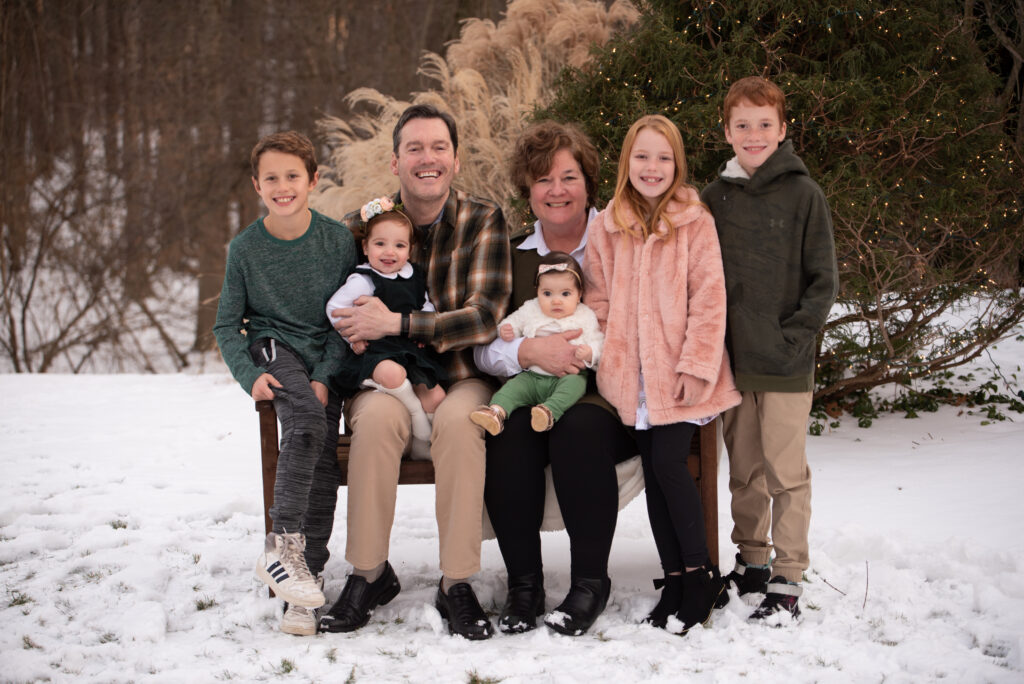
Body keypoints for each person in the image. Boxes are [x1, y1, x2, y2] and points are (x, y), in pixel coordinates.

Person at [319, 104, 511, 640]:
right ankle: (369, 574)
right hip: (381, 376)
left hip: (458, 374)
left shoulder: (483, 219)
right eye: (415, 149)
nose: (428, 159)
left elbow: (486, 315)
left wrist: (398, 321)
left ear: (454, 157)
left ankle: (458, 583)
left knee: (461, 421)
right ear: (395, 161)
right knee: (376, 422)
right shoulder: (362, 225)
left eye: (439, 148)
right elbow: (336, 309)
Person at [474, 120, 637, 637]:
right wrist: (525, 349)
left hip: (605, 397)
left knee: (577, 431)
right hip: (531, 389)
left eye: (568, 176)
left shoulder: (620, 242)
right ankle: (525, 584)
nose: (557, 190)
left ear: (589, 182)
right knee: (511, 434)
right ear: (528, 190)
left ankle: (590, 581)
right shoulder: (512, 253)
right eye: (543, 180)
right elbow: (484, 341)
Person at [584, 114, 741, 635]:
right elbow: (598, 300)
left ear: (677, 164)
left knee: (673, 466)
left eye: (664, 158)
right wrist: (611, 358)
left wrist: (697, 364)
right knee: (654, 475)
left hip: (681, 375)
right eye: (643, 156)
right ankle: (673, 579)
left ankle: (700, 576)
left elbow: (709, 298)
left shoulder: (695, 221)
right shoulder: (607, 225)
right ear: (628, 161)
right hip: (633, 379)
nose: (652, 168)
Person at [701, 76, 839, 621]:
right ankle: (752, 560)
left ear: (783, 129)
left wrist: (793, 339)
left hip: (783, 363)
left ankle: (787, 575)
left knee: (785, 472)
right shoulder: (714, 198)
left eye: (764, 124)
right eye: (742, 125)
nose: (753, 134)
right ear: (728, 131)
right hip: (733, 363)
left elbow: (822, 280)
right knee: (745, 470)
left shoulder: (805, 195)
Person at [213, 131, 355, 636]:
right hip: (276, 349)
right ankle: (280, 548)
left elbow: (346, 317)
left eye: (292, 175)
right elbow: (226, 324)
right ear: (256, 185)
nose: (282, 186)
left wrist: (324, 375)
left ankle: (305, 584)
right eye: (271, 177)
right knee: (307, 426)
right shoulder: (246, 249)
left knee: (321, 462)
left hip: (326, 356)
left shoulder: (337, 240)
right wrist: (249, 375)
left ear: (313, 181)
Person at [326, 197, 447, 459]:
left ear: (409, 250)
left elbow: (426, 308)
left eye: (399, 245)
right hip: (376, 352)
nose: (389, 252)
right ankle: (416, 418)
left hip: (408, 350)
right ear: (366, 247)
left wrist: (421, 330)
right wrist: (351, 338)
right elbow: (334, 308)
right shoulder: (363, 280)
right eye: (380, 244)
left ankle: (418, 444)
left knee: (435, 395)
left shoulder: (413, 275)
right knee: (393, 375)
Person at [470, 251, 603, 436]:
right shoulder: (531, 308)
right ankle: (496, 412)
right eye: (547, 293)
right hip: (533, 377)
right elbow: (514, 321)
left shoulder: (585, 315)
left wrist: (589, 353)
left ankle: (548, 412)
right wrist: (506, 329)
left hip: (567, 377)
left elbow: (598, 341)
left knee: (575, 386)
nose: (556, 300)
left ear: (579, 294)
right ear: (537, 291)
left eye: (566, 293)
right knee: (512, 388)